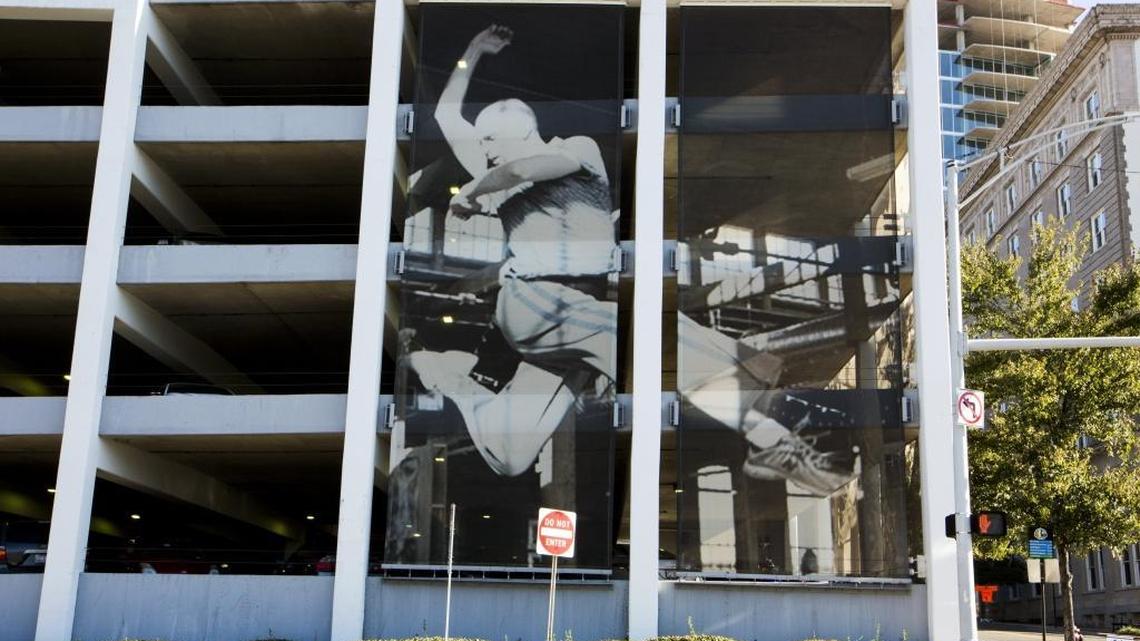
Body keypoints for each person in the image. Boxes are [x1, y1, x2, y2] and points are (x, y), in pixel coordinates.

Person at [408, 25, 619, 477]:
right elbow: (448, 116)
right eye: (480, 143)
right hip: (541, 311)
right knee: (636, 345)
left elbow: (523, 169)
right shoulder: (494, 171)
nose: (481, 151)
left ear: (522, 133)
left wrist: (471, 188)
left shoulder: (575, 152)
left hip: (581, 310)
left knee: (509, 457)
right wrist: (473, 51)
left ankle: (459, 385)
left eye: (489, 141)